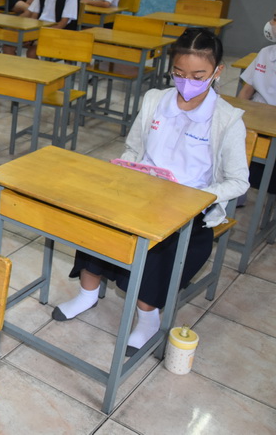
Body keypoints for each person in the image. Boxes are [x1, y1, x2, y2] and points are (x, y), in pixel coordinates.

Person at [52, 28, 249, 356]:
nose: (187, 82)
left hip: (188, 211)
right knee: (97, 221)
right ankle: (87, 294)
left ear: (217, 72)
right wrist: (126, 168)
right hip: (141, 193)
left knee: (156, 248)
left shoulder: (227, 120)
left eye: (198, 76)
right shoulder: (155, 100)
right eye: (179, 73)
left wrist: (199, 197)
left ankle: (148, 318)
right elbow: (134, 148)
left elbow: (239, 181)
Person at [238, 9, 276, 198]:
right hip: (254, 116)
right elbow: (246, 91)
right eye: (274, 18)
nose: (271, 23)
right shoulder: (265, 53)